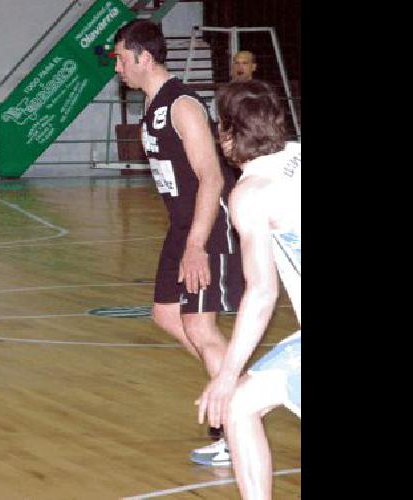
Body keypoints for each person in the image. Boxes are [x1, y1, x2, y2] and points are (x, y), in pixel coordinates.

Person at [112, 19, 245, 466]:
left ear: (142, 57)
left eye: (120, 58)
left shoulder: (182, 104)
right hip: (182, 225)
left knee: (201, 328)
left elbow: (211, 177)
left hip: (209, 225)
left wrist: (197, 245)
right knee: (167, 315)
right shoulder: (153, 106)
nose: (117, 68)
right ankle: (238, 388)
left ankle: (234, 423)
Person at [196, 79, 300, 500]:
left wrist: (225, 374)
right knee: (242, 405)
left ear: (228, 134)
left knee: (235, 402)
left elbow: (261, 294)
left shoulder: (252, 192)